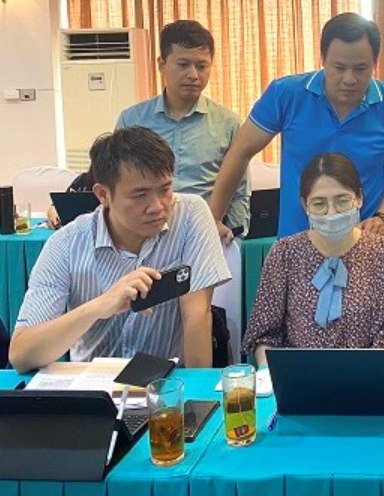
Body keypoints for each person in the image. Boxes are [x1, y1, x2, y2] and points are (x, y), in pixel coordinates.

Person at [9, 127, 230, 373]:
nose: (157, 206)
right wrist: (99, 307)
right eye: (140, 195)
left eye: (165, 189)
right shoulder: (67, 243)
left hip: (165, 385)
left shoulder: (190, 216)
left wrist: (195, 392)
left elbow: (196, 315)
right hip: (93, 386)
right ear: (103, 194)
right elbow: (21, 355)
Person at [209, 13, 384, 241]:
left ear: (375, 63)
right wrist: (215, 217)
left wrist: (383, 216)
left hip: (364, 242)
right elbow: (241, 151)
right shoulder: (285, 94)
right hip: (297, 242)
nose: (349, 79)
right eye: (339, 67)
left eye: (360, 69)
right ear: (323, 59)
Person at [242, 153, 384, 365]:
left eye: (342, 201)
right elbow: (266, 336)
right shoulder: (284, 253)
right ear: (305, 206)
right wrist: (270, 372)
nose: (331, 213)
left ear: (359, 198)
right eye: (319, 204)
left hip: (371, 376)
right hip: (298, 377)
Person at [116, 20, 250, 240]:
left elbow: (240, 190)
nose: (193, 75)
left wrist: (235, 237)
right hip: (145, 234)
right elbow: (119, 185)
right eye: (183, 64)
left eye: (202, 66)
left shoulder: (228, 124)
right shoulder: (132, 120)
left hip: (205, 235)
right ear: (162, 64)